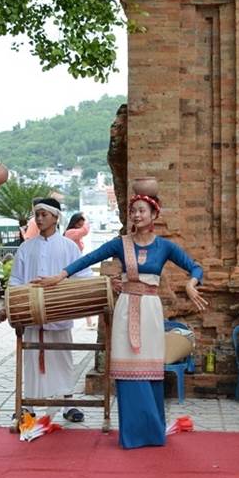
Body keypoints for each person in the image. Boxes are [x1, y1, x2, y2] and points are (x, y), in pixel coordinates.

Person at [36, 183, 207, 449]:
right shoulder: (120, 244)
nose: (137, 215)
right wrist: (59, 276)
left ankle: (152, 432)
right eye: (133, 211)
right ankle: (133, 434)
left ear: (154, 215)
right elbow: (88, 258)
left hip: (150, 310)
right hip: (126, 308)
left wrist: (190, 284)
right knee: (128, 372)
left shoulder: (165, 247)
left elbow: (195, 267)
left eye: (142, 210)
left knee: (150, 371)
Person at [0, 199, 92, 422]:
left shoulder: (69, 247)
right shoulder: (26, 247)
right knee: (30, 360)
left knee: (62, 359)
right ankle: (28, 405)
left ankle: (68, 403)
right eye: (37, 215)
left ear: (56, 217)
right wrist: (9, 307)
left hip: (59, 315)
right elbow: (16, 281)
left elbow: (83, 279)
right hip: (31, 314)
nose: (39, 219)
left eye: (44, 215)